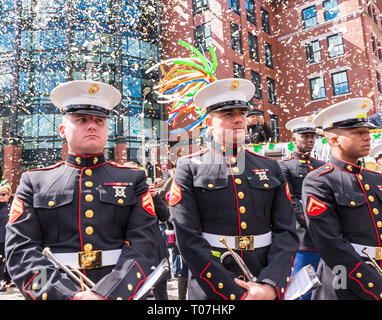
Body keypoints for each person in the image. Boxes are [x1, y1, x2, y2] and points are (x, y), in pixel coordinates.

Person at [5, 80, 159, 300]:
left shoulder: (133, 179)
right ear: (62, 130)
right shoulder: (34, 181)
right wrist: (65, 295)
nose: (92, 125)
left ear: (107, 130)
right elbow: (21, 253)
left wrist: (106, 294)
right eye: (81, 120)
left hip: (123, 293)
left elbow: (144, 245)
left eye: (99, 120)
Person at [169, 78, 298, 300]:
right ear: (209, 123)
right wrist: (232, 292)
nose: (238, 119)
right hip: (212, 286)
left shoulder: (270, 166)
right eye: (228, 114)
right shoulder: (189, 167)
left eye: (242, 113)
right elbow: (188, 240)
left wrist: (270, 285)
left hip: (263, 277)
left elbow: (286, 232)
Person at [302, 97, 382, 300]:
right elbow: (332, 245)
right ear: (333, 139)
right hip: (347, 282)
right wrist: (374, 285)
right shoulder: (319, 181)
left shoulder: (376, 178)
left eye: (367, 132)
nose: (367, 137)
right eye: (358, 133)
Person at [278, 116, 325, 300]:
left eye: (312, 136)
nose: (310, 140)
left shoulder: (321, 166)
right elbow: (291, 201)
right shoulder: (284, 167)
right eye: (305, 136)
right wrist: (315, 222)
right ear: (294, 139)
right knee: (302, 292)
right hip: (303, 239)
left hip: (326, 239)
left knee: (327, 289)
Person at [148, 183, 171, 300]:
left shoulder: (150, 195)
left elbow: (165, 216)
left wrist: (155, 196)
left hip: (156, 248)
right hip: (134, 249)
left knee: (161, 291)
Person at [0, 183, 13, 291]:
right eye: (0, 194)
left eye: (3, 194)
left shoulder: (11, 204)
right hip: (1, 237)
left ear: (8, 195)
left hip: (9, 237)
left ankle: (8, 280)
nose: (1, 196)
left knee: (8, 259)